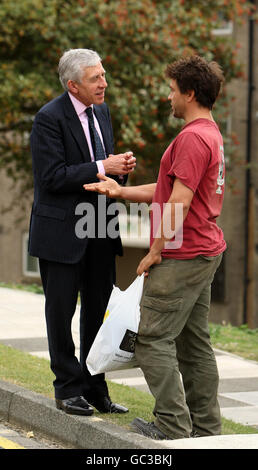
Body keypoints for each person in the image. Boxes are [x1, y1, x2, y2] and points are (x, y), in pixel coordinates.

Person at [84, 55, 226, 438]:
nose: (168, 97)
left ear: (190, 93)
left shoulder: (193, 138)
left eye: (172, 90)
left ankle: (172, 426)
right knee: (194, 344)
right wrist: (120, 190)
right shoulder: (209, 133)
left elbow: (178, 203)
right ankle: (207, 429)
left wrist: (155, 250)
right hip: (204, 251)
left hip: (182, 255)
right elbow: (169, 191)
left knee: (151, 340)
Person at [28, 48, 136, 416]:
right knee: (60, 313)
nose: (104, 83)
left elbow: (101, 170)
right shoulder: (48, 118)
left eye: (103, 75)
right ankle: (67, 388)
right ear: (73, 85)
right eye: (96, 78)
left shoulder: (101, 111)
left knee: (97, 311)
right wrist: (99, 165)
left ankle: (94, 387)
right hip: (61, 232)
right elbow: (52, 178)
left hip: (101, 226)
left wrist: (118, 170)